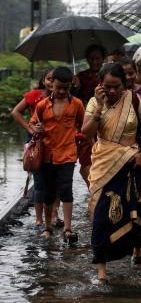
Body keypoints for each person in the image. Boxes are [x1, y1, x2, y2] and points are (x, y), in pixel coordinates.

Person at [81, 62, 141, 281]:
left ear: (124, 84)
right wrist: (98, 106)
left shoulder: (134, 99)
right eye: (108, 87)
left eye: (117, 86)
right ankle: (101, 267)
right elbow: (86, 132)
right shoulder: (92, 102)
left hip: (133, 163)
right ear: (101, 84)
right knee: (101, 214)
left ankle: (137, 249)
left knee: (135, 209)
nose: (113, 91)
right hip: (105, 163)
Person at [29, 67, 85, 241]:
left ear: (70, 87)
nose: (61, 91)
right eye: (58, 87)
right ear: (51, 84)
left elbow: (82, 125)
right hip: (47, 154)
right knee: (49, 192)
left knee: (66, 189)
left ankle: (68, 228)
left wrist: (81, 138)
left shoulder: (76, 104)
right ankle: (47, 227)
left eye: (65, 88)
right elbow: (32, 125)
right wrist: (35, 129)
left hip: (68, 153)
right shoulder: (42, 105)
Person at [11, 68, 62, 227]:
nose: (52, 82)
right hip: (37, 143)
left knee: (57, 181)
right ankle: (39, 218)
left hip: (57, 143)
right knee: (39, 183)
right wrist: (29, 127)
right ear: (43, 80)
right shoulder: (35, 95)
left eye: (55, 79)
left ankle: (54, 214)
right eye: (49, 79)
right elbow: (16, 112)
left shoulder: (64, 97)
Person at [72, 44, 106, 187]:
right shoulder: (81, 77)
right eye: (91, 59)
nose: (94, 62)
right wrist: (76, 87)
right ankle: (93, 190)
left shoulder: (108, 75)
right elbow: (74, 100)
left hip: (105, 119)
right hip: (85, 119)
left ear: (103, 59)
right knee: (86, 160)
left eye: (97, 58)